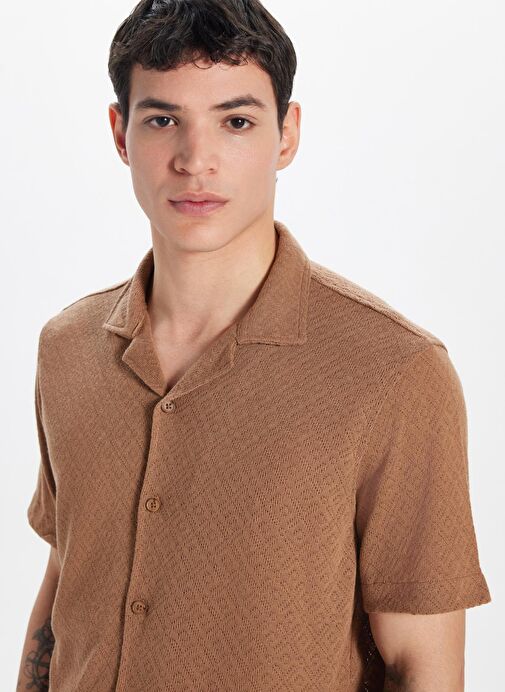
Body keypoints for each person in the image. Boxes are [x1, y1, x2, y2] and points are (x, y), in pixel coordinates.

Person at [18, 1, 491, 690]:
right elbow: (64, 584)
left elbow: (421, 664)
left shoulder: (395, 372)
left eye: (235, 121)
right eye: (163, 120)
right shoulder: (67, 349)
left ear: (286, 135)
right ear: (120, 133)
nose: (195, 160)